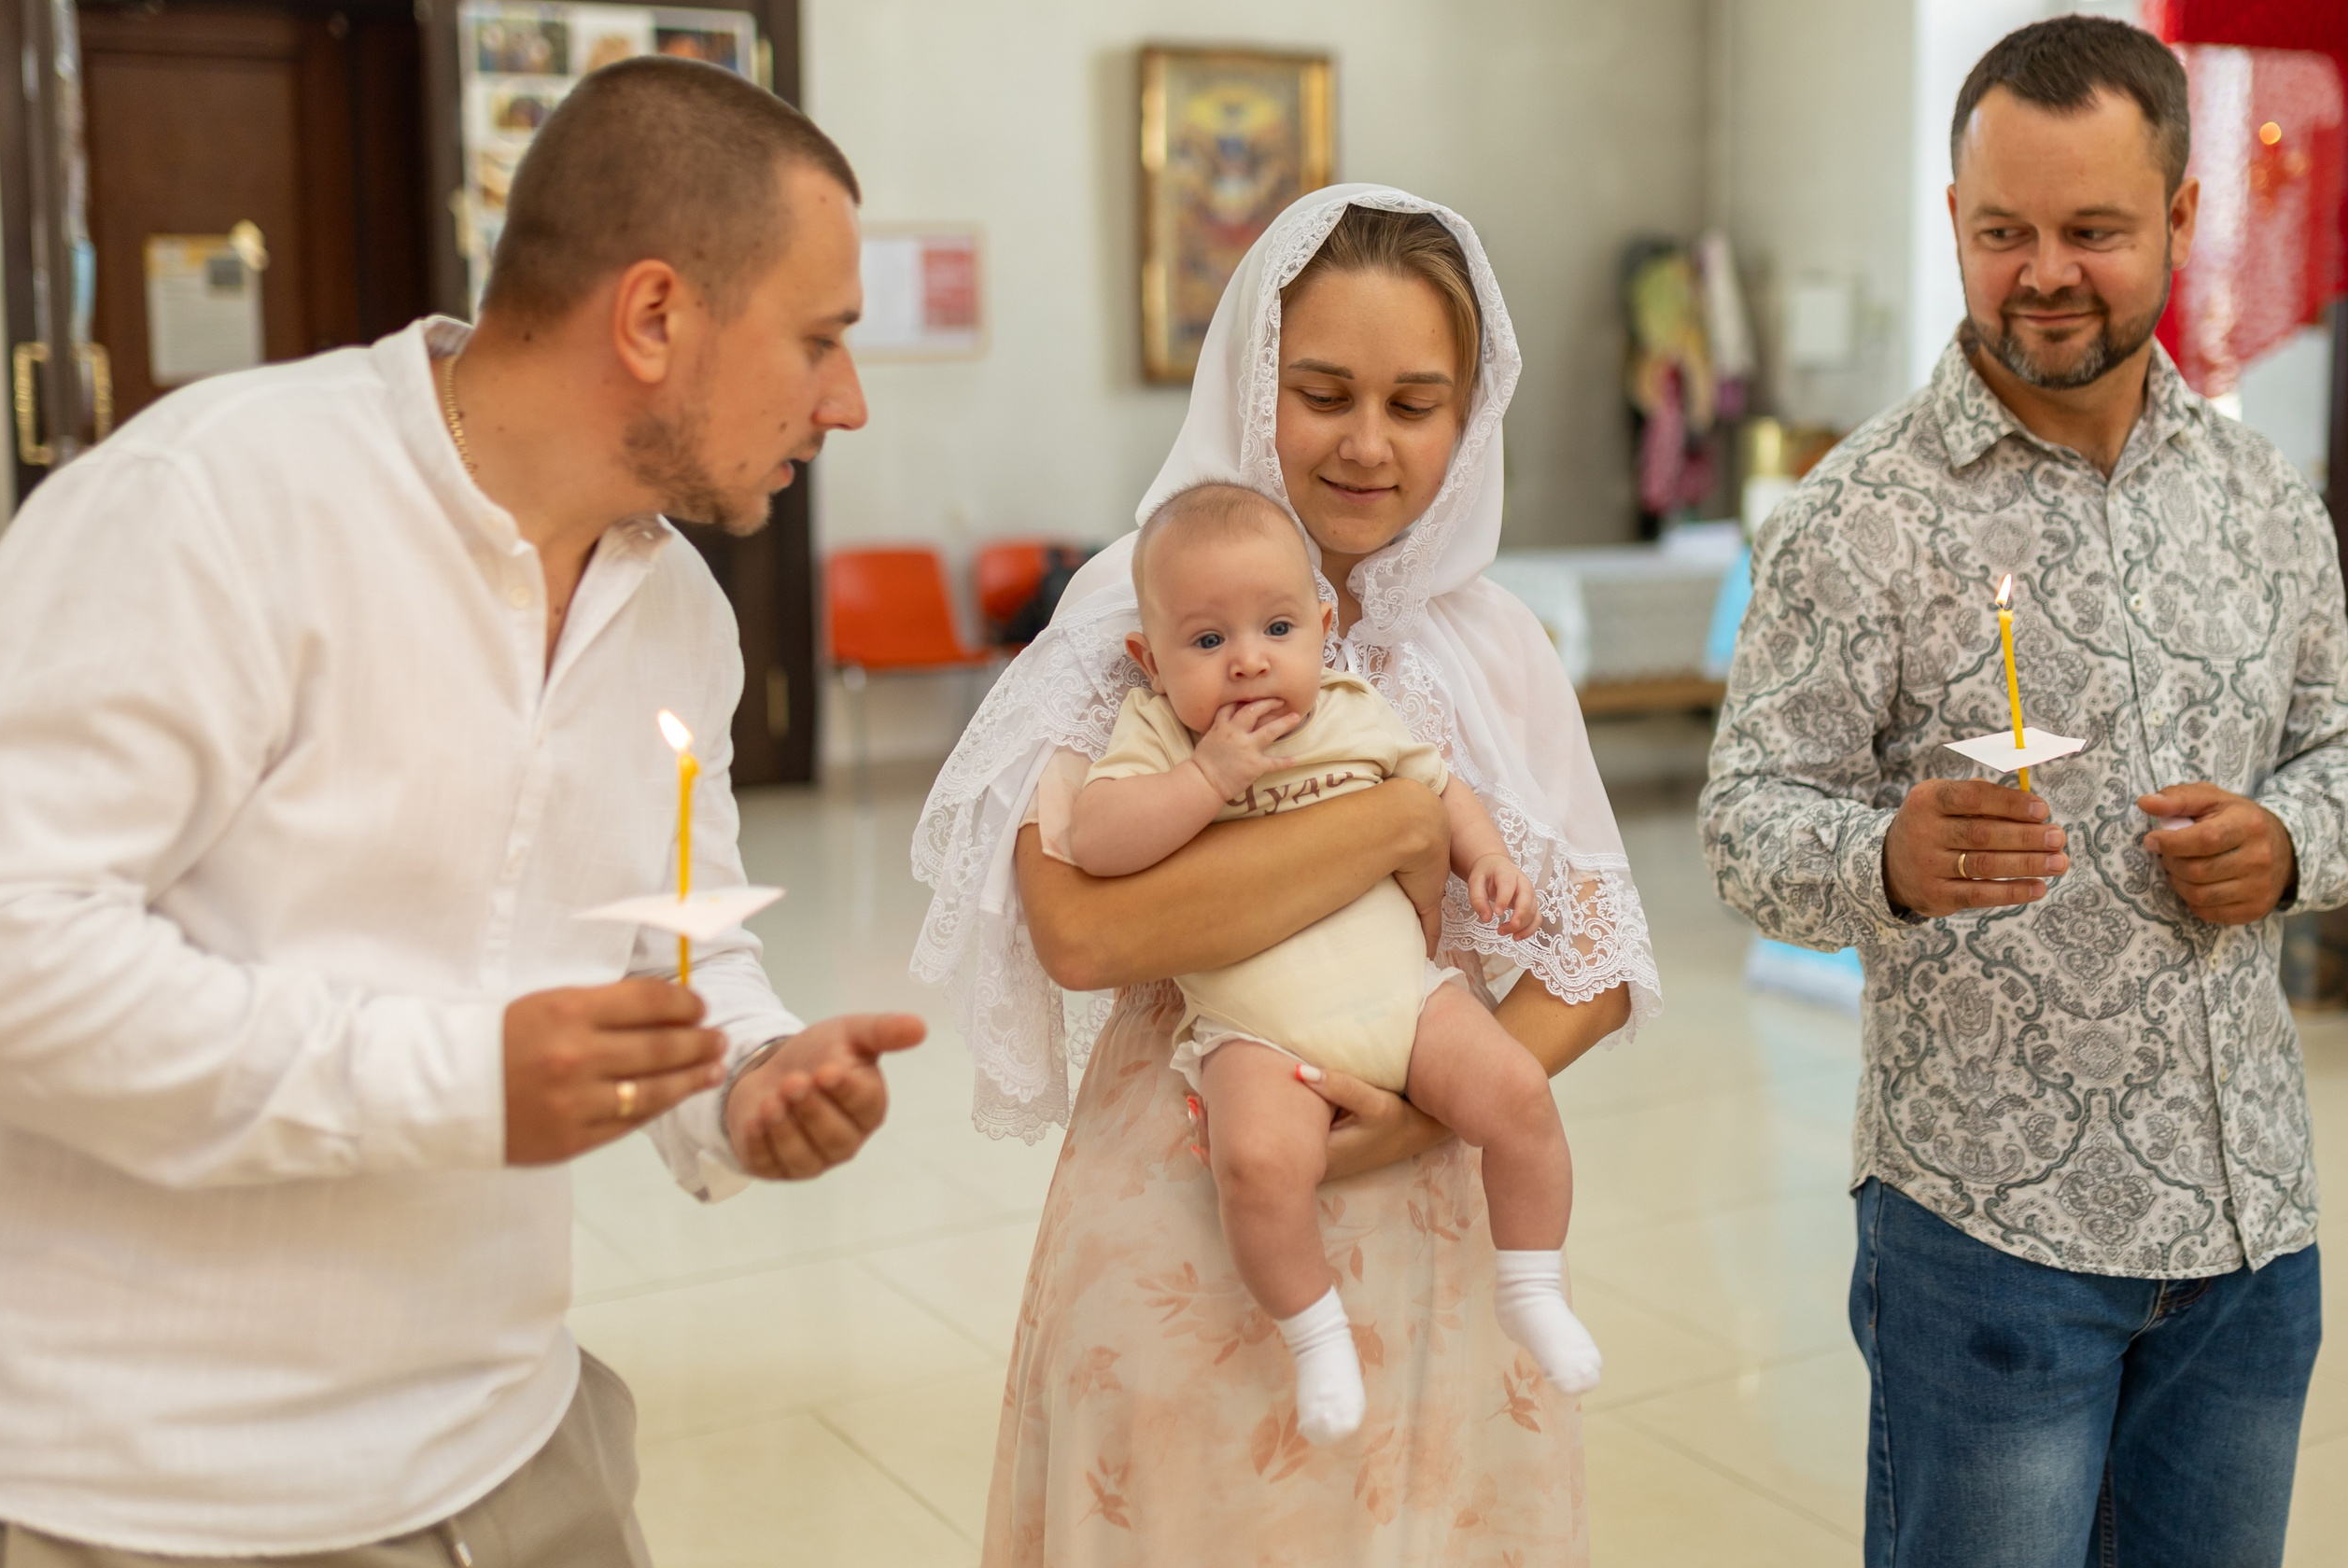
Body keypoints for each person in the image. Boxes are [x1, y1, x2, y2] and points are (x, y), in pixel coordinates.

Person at [0, 59, 921, 1564]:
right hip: (145, 1483)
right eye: (822, 340)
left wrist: (748, 1080)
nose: (847, 402)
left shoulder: (676, 609)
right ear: (655, 315)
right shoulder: (211, 502)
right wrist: (458, 1081)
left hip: (515, 1442)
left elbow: (676, 938)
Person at [912, 188, 1658, 1562]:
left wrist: (1430, 1113)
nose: (1368, 444)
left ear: (1468, 416)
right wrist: (1383, 830)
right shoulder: (1129, 625)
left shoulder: (1496, 648)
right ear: (1255, 384)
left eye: (1415, 402)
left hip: (1434, 1196)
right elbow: (1079, 931)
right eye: (1322, 393)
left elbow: (1598, 966)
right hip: (1195, 1176)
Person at [1701, 17, 2341, 1567]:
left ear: (2183, 220)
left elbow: (2337, 747)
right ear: (1955, 224)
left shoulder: (2264, 502)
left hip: (2249, 1225)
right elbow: (1745, 828)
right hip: (1990, 1243)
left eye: (2093, 230)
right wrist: (1890, 861)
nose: (2043, 271)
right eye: (2004, 231)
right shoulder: (1862, 517)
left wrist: (2296, 841)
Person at [1067, 483, 1601, 1442]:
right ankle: (1315, 1336)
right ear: (1148, 660)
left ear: (1321, 628)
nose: (1247, 663)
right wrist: (1205, 778)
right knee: (1257, 1163)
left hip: (1405, 1000)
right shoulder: (1154, 736)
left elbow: (1441, 794)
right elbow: (1097, 841)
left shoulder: (1353, 709)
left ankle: (1532, 1283)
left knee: (1517, 1095)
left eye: (1276, 627)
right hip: (1258, 1035)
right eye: (1205, 641)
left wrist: (1490, 865)